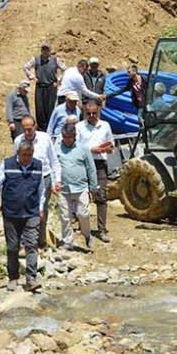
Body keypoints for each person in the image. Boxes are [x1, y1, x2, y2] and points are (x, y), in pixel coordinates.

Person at [0, 140, 45, 292]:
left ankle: (31, 279)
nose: (27, 158)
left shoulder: (38, 166)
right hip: (11, 213)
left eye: (29, 155)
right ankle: (13, 278)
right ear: (18, 154)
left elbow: (41, 190)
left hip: (31, 213)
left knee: (31, 244)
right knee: (13, 247)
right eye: (24, 155)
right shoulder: (7, 165)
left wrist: (40, 208)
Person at [14, 115, 62, 248]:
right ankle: (27, 241)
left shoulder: (45, 138)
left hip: (44, 178)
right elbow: (16, 162)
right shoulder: (18, 141)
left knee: (42, 210)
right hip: (26, 179)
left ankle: (41, 240)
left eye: (30, 129)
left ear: (35, 127)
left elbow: (54, 161)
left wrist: (57, 180)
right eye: (25, 129)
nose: (28, 132)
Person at [76, 100, 113, 243]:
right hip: (84, 163)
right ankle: (83, 227)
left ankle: (102, 229)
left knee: (102, 196)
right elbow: (77, 146)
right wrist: (91, 150)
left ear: (98, 111)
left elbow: (111, 144)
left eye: (94, 113)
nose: (91, 115)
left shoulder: (105, 126)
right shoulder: (80, 127)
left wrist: (107, 149)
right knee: (82, 195)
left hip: (100, 164)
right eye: (88, 113)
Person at [56, 122, 97, 250]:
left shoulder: (83, 148)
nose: (67, 139)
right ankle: (67, 241)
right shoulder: (56, 148)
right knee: (65, 216)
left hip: (81, 188)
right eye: (65, 136)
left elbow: (91, 168)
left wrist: (93, 186)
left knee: (83, 214)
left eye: (70, 137)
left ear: (75, 135)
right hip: (63, 189)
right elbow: (53, 166)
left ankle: (87, 235)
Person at [23, 42, 67, 131]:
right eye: (43, 49)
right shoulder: (36, 59)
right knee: (40, 109)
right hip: (40, 87)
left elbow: (65, 69)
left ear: (50, 50)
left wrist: (58, 80)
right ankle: (41, 129)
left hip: (51, 87)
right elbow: (25, 67)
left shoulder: (55, 60)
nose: (45, 51)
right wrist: (32, 77)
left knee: (50, 108)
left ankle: (50, 129)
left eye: (47, 49)